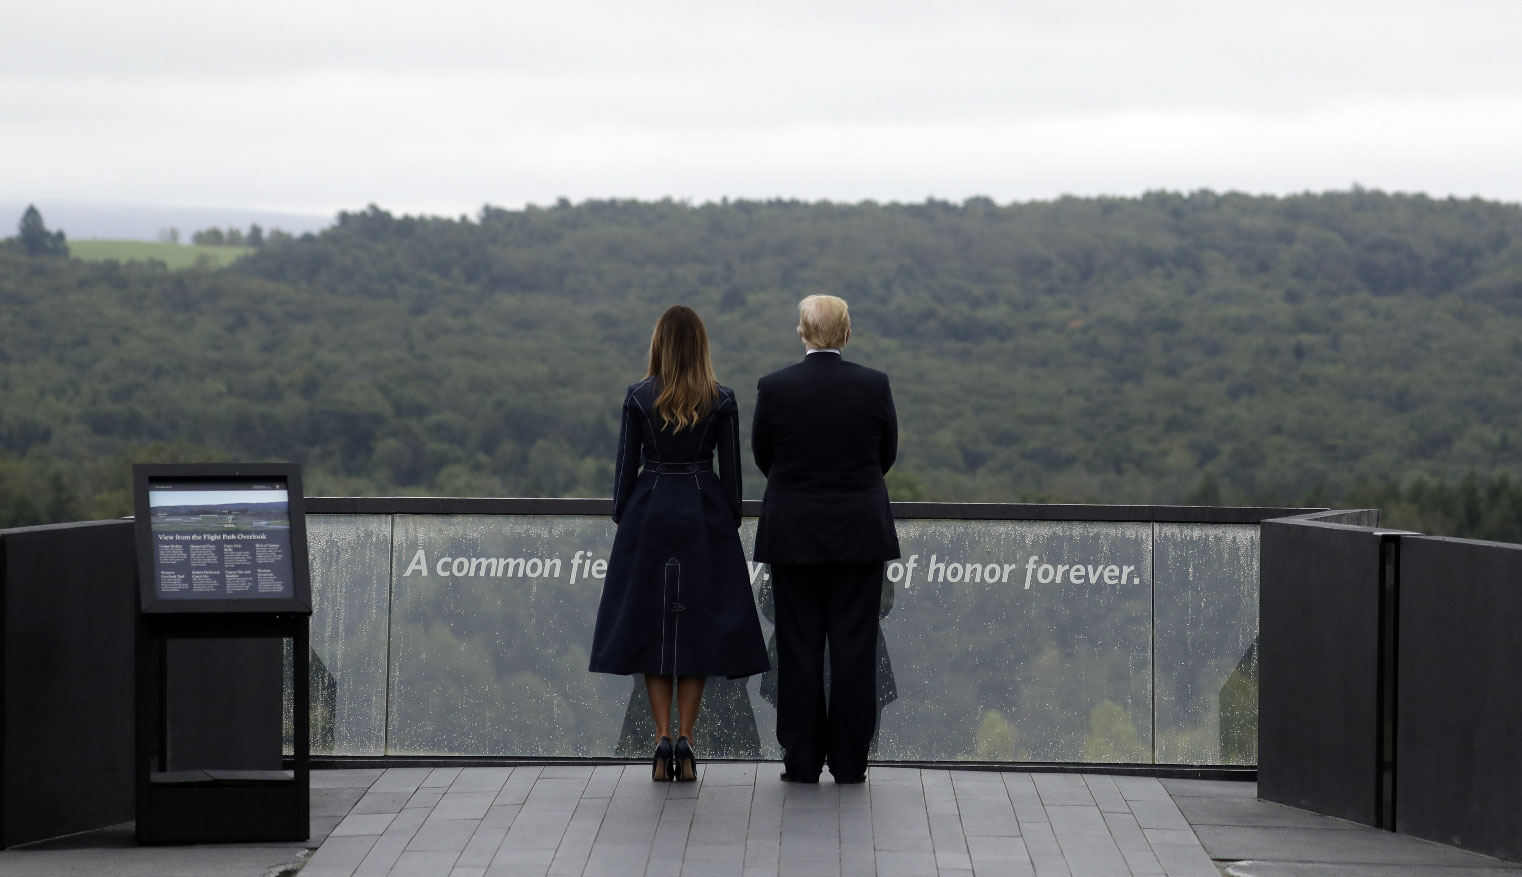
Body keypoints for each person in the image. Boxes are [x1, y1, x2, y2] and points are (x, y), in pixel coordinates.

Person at [589, 305, 768, 782]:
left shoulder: (637, 396)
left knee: (652, 628)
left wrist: (628, 520)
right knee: (695, 632)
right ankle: (687, 738)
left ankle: (660, 738)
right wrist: (722, 522)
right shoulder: (722, 399)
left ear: (659, 344)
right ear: (700, 345)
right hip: (703, 513)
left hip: (649, 514)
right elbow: (732, 479)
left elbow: (624, 475)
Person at [751, 294, 899, 784]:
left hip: (794, 536)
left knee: (797, 648)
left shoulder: (774, 387)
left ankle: (802, 759)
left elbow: (763, 456)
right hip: (859, 534)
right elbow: (886, 455)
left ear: (801, 333)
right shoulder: (874, 385)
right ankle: (852, 761)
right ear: (847, 333)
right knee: (855, 650)